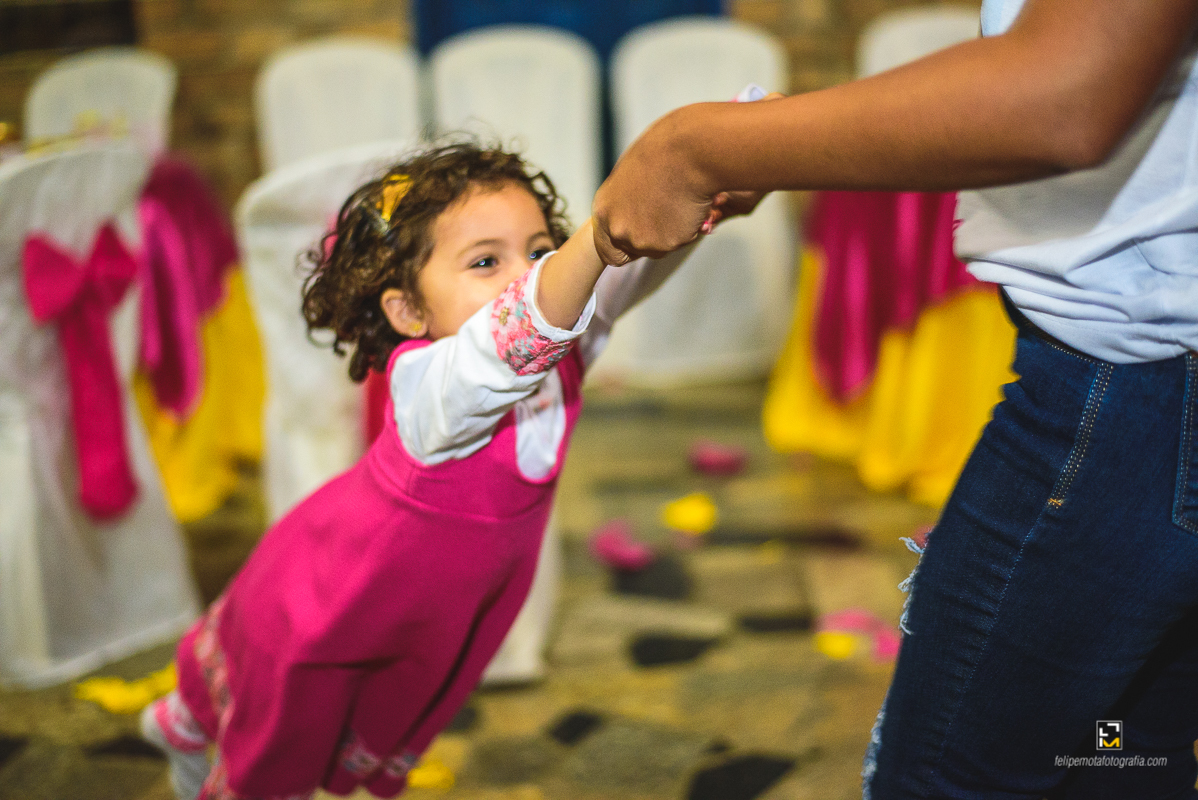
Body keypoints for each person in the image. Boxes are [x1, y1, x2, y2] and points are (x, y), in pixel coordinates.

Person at [592, 1, 1198, 798]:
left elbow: (1063, 94)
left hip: (1126, 409)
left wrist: (693, 148)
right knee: (1122, 757)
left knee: (944, 773)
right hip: (1156, 399)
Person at [139, 142, 698, 800]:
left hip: (413, 611)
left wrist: (705, 183)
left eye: (540, 250)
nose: (525, 275)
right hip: (333, 599)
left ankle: (184, 728)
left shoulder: (562, 352)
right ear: (409, 311)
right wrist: (596, 239)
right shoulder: (434, 381)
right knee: (281, 746)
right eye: (486, 261)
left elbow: (630, 266)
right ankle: (187, 730)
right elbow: (511, 340)